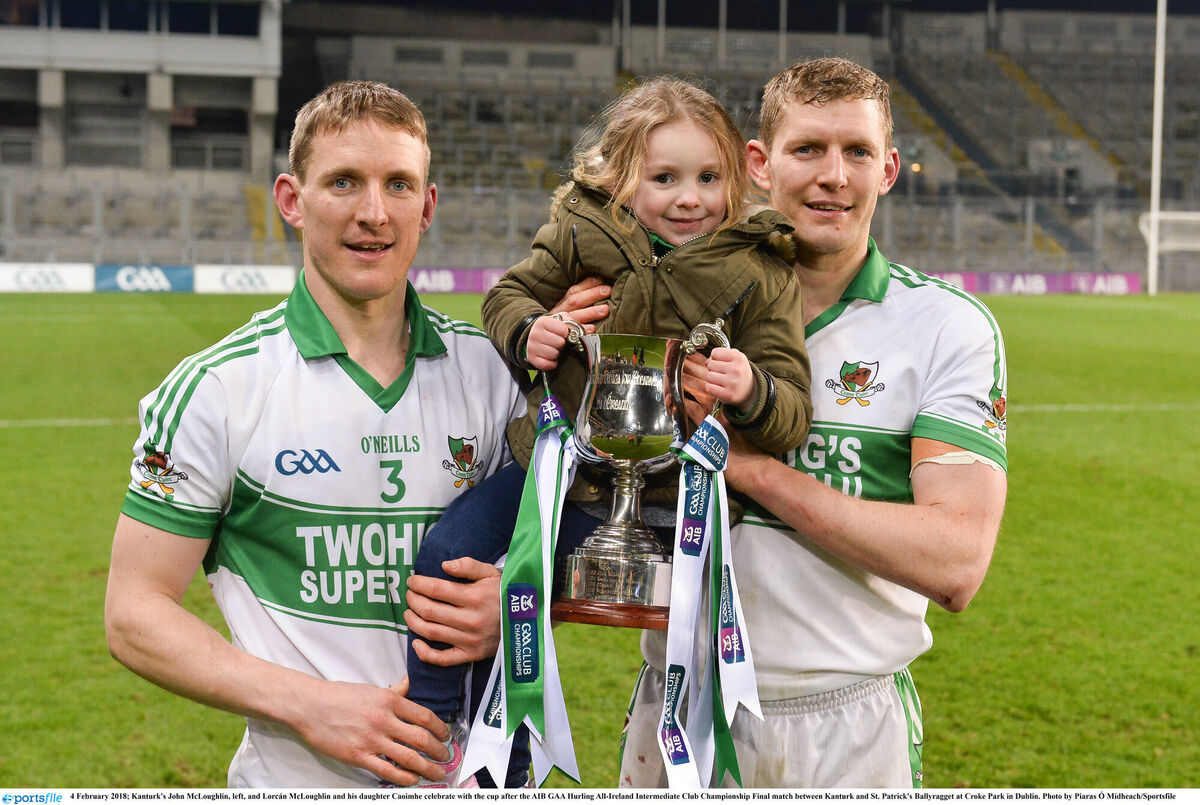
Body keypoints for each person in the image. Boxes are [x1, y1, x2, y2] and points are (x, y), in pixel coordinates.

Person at [104, 80, 533, 788]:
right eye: (343, 182)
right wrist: (314, 706)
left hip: (482, 778)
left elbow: (575, 539)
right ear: (291, 200)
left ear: (427, 206)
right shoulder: (218, 389)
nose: (373, 213)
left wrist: (520, 603)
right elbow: (133, 612)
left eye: (398, 184)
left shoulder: (493, 374)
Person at [404, 76, 814, 774]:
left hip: (673, 505)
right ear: (621, 179)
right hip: (558, 476)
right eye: (665, 177)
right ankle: (438, 726)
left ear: (736, 179)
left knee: (523, 595)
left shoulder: (760, 270)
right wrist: (534, 329)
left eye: (709, 177)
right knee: (450, 552)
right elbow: (507, 296)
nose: (691, 197)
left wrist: (748, 388)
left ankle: (665, 746)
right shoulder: (579, 231)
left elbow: (792, 409)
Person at [618, 57, 1009, 788]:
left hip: (850, 727)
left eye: (857, 151)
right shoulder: (662, 301)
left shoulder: (944, 327)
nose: (834, 175)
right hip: (683, 709)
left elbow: (957, 562)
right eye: (808, 149)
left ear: (888, 168)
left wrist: (753, 470)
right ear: (760, 164)